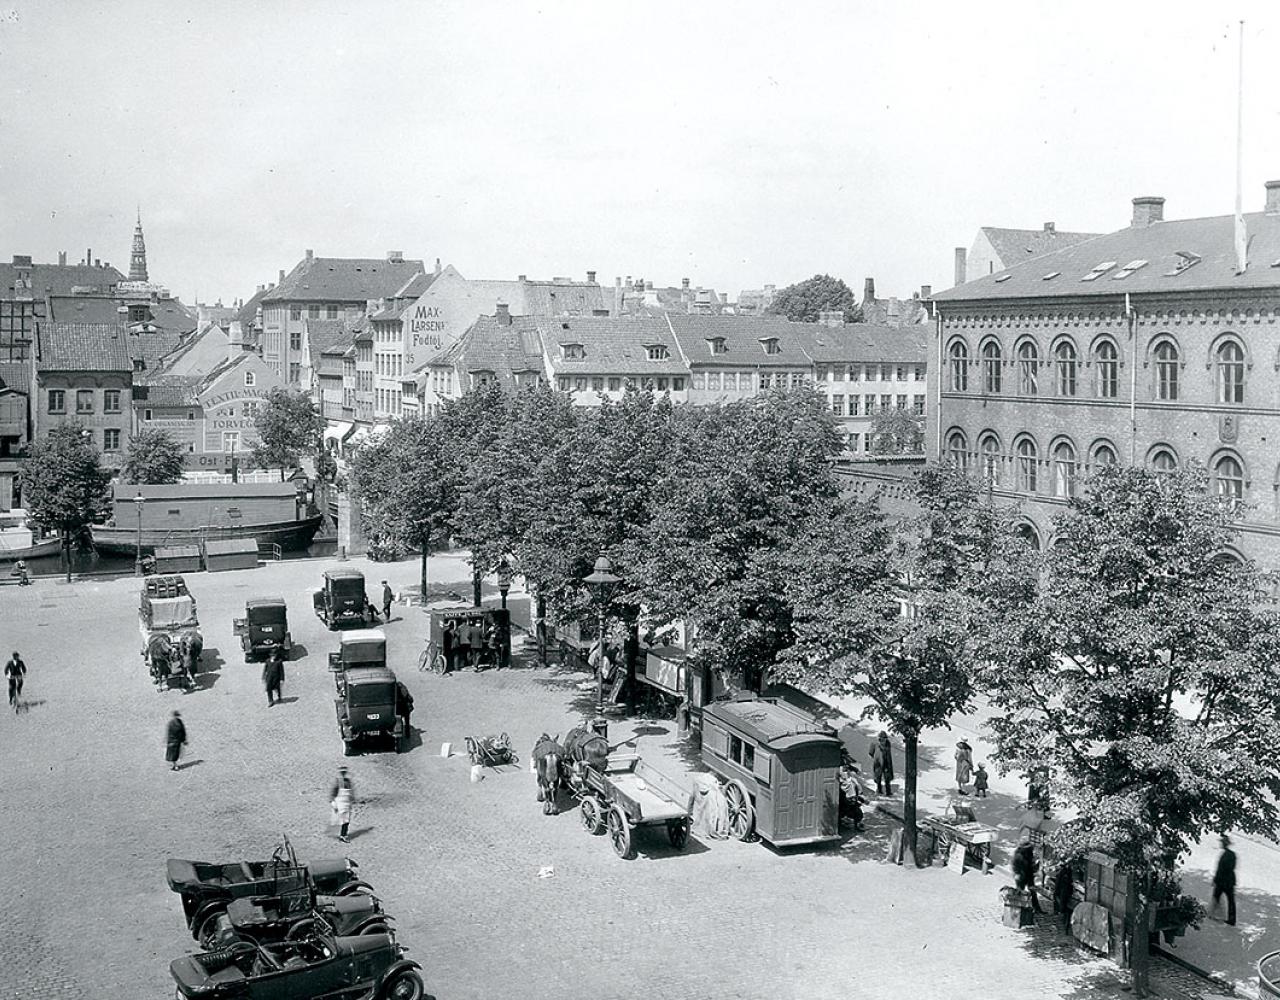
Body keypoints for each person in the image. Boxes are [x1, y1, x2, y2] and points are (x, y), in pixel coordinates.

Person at [1012, 839, 1044, 913]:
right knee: (1020, 892)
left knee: (1033, 892)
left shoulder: (1029, 852)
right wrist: (1016, 874)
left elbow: (1031, 863)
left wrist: (1035, 864)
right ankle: (1018, 909)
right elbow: (1014, 866)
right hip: (1021, 876)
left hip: (1029, 875)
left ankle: (1037, 908)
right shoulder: (1018, 855)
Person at [1212, 834, 1237, 926]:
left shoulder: (1227, 855)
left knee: (1218, 896)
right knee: (1229, 899)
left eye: (1222, 843)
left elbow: (1223, 869)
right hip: (1228, 881)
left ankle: (1216, 914)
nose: (1221, 844)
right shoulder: (1231, 854)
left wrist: (1217, 879)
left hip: (1224, 881)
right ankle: (1230, 918)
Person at [330, 766, 355, 843]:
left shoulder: (347, 781)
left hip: (346, 803)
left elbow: (351, 793)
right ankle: (343, 835)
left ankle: (343, 835)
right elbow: (334, 794)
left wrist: (352, 800)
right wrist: (334, 804)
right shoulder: (339, 783)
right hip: (341, 803)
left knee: (346, 820)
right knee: (344, 820)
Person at [1052, 862, 1076, 934]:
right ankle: (1062, 916)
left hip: (1066, 892)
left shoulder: (1066, 871)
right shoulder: (1064, 872)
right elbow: (1059, 884)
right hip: (1064, 892)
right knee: (1064, 907)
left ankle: (1063, 916)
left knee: (1065, 908)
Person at [869, 731, 894, 796]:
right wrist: (875, 757)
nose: (883, 741)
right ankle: (879, 790)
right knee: (878, 777)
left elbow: (888, 753)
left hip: (886, 763)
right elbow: (871, 752)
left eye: (885, 739)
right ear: (879, 739)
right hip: (878, 763)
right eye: (882, 739)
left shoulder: (888, 744)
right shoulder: (874, 744)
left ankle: (888, 792)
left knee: (887, 778)